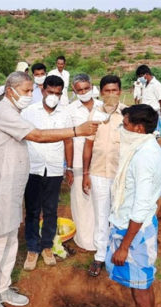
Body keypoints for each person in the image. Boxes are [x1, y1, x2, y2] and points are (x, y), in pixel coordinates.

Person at [0, 71, 97, 307]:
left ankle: (2, 288)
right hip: (0, 187)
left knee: (10, 241)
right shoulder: (3, 113)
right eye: (27, 91)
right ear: (10, 90)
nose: (30, 96)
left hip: (12, 188)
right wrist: (76, 130)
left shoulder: (14, 112)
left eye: (32, 91)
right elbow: (38, 136)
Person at [104, 104, 161, 307]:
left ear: (138, 128)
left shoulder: (144, 157)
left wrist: (124, 245)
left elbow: (141, 205)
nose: (122, 128)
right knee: (144, 290)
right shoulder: (143, 148)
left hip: (135, 233)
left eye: (125, 124)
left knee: (141, 295)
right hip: (134, 227)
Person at [21, 75, 68, 271]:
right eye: (50, 92)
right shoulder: (28, 112)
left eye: (58, 93)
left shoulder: (65, 115)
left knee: (50, 210)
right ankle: (32, 248)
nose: (53, 96)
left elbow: (69, 140)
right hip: (33, 167)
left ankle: (47, 246)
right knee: (32, 210)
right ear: (43, 90)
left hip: (55, 168)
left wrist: (69, 167)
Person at [82, 75, 126, 277]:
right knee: (101, 215)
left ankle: (118, 254)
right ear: (100, 92)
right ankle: (100, 256)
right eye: (106, 91)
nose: (110, 95)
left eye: (114, 90)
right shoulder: (95, 114)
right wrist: (85, 173)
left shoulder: (127, 114)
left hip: (121, 175)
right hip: (98, 172)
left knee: (119, 215)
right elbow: (88, 145)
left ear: (120, 91)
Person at [65, 73, 99, 252]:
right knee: (81, 199)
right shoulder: (70, 110)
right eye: (80, 90)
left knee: (99, 200)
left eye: (87, 88)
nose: (84, 92)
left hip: (101, 162)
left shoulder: (102, 107)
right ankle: (84, 240)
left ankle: (99, 237)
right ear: (74, 90)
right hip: (78, 161)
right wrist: (69, 167)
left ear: (92, 87)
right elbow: (68, 140)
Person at [134, 65, 161, 137]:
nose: (139, 79)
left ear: (146, 74)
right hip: (145, 116)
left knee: (154, 138)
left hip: (154, 116)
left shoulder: (157, 85)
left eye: (140, 76)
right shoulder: (144, 85)